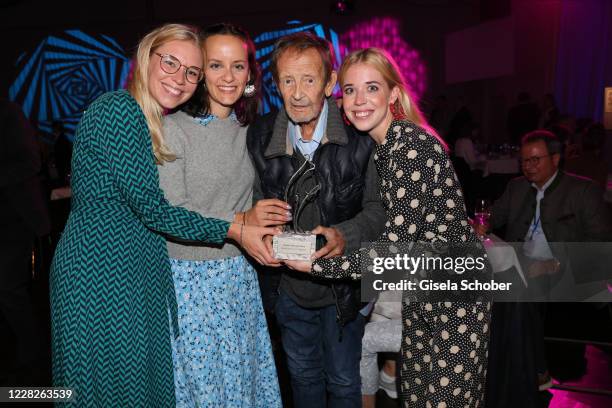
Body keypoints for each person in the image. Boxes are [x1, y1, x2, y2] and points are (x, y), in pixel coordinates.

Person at [50, 23, 277, 407]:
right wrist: (237, 228)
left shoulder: (147, 120)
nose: (180, 78)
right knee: (99, 390)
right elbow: (155, 211)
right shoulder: (118, 110)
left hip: (135, 271)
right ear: (145, 58)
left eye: (190, 71)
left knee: (137, 389)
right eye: (170, 62)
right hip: (101, 273)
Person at [285, 47, 491, 408]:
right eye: (350, 90)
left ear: (394, 93)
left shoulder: (408, 148)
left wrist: (318, 265)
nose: (359, 100)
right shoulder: (389, 147)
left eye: (372, 88)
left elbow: (394, 256)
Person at [247, 33, 386, 408]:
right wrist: (256, 220)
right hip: (288, 286)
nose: (297, 93)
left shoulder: (361, 133)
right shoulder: (260, 135)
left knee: (343, 381)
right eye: (287, 81)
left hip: (344, 287)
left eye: (309, 80)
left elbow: (377, 209)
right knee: (302, 376)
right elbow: (254, 201)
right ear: (276, 84)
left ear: (329, 82)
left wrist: (344, 234)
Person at [157, 23, 282, 407]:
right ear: (199, 72)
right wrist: (244, 219)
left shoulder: (252, 130)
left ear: (249, 72)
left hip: (239, 276)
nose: (228, 76)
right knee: (204, 390)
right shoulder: (171, 128)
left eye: (238, 66)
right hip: (190, 281)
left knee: (243, 381)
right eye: (215, 66)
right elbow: (172, 212)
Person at [473, 130, 612, 405]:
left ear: (556, 159)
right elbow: (492, 216)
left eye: (536, 160)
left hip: (568, 269)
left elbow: (600, 245)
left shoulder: (582, 190)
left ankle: (530, 371)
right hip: (523, 265)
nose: (529, 166)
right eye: (525, 161)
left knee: (519, 289)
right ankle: (507, 370)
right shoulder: (516, 187)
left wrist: (553, 264)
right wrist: (480, 225)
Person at [0, 99, 50, 385]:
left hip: (14, 219)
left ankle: (32, 359)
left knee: (9, 289)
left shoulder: (6, 112)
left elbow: (31, 160)